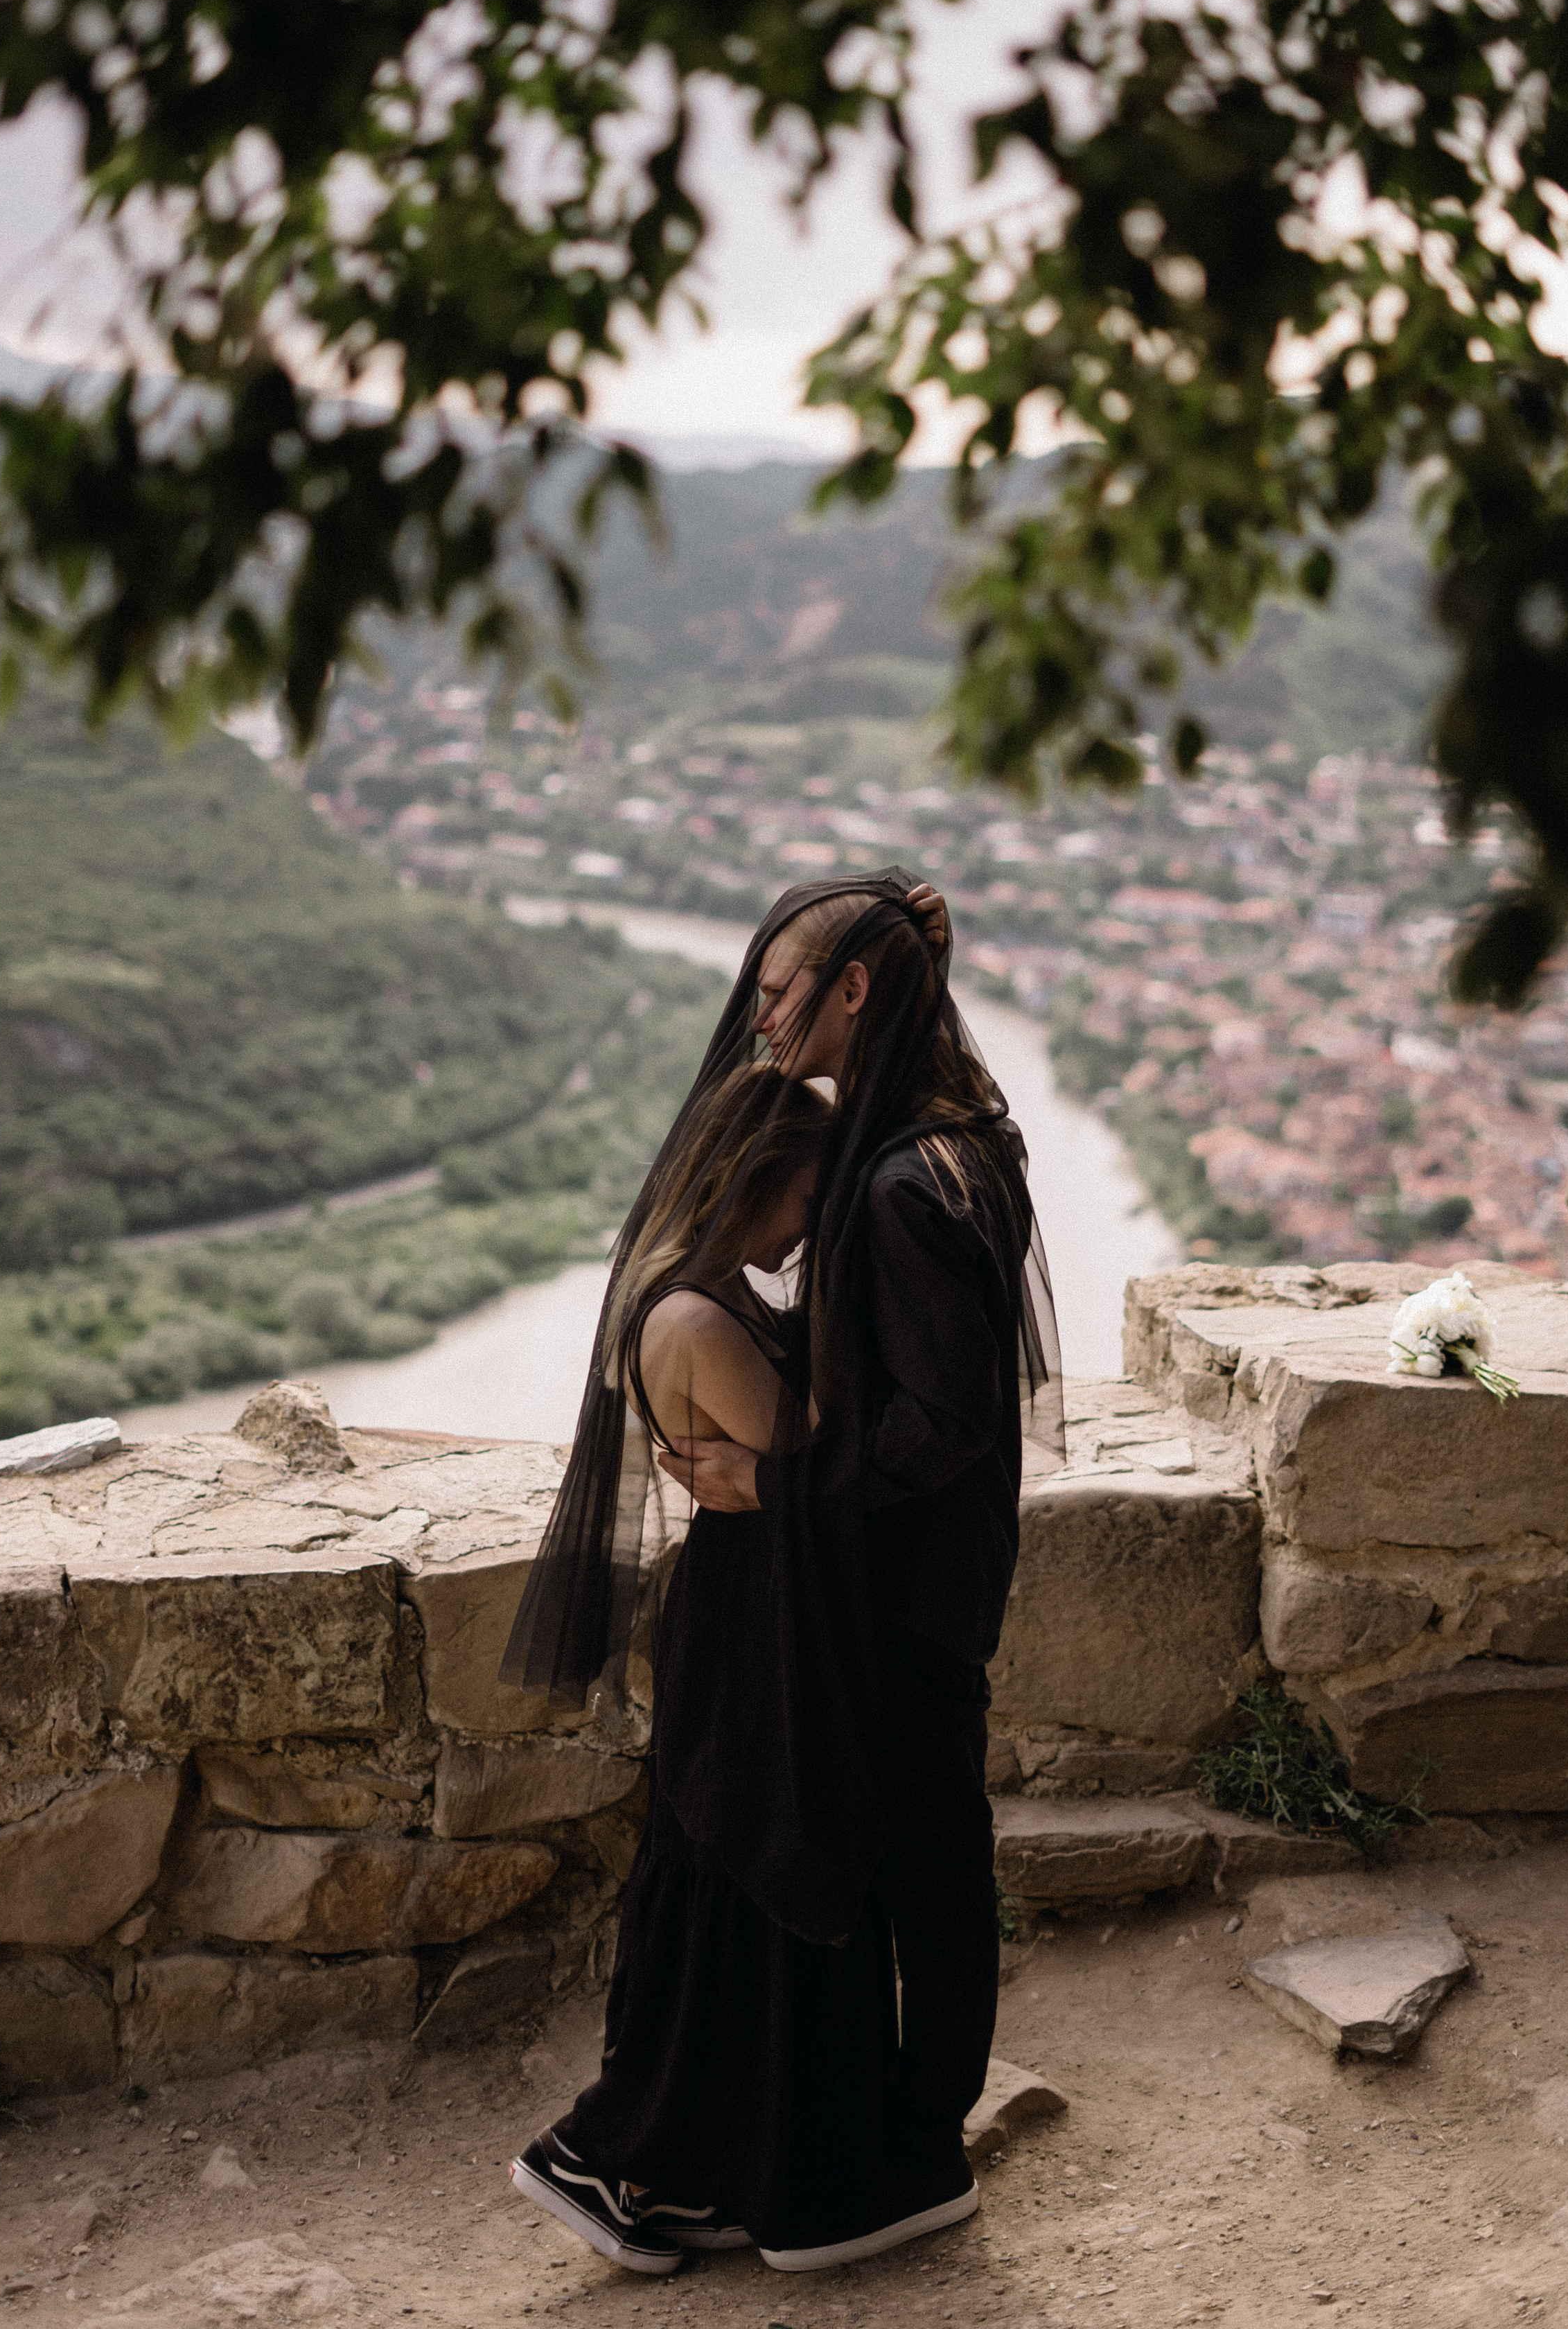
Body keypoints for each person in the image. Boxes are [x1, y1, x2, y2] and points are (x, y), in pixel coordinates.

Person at [502, 872, 1059, 2280]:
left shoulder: (889, 1184)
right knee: (876, 1865)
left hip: (885, 1587)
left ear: (853, 991)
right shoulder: (953, 1142)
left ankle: (903, 2148)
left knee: (893, 1865)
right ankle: (856, 2148)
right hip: (899, 1576)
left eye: (776, 989)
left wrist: (775, 1481)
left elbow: (938, 1426)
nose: (756, 1020)